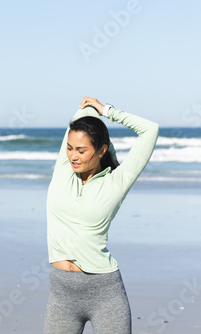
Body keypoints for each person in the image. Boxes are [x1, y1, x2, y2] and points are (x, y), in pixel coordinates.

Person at [44, 96, 159, 334]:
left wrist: (107, 110)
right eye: (69, 148)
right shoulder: (64, 169)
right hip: (61, 295)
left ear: (101, 150)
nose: (73, 156)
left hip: (104, 295)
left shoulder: (117, 181)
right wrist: (90, 106)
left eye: (81, 150)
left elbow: (150, 130)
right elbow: (84, 112)